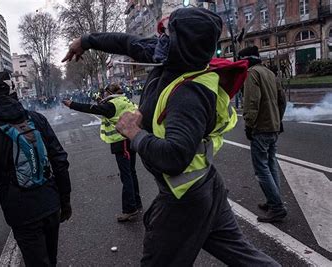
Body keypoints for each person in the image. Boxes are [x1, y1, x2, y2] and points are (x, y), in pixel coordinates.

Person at [63, 8, 279, 266]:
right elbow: (127, 42)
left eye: (169, 34)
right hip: (206, 186)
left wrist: (135, 134)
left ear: (182, 44)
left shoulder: (190, 94)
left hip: (185, 199)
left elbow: (175, 157)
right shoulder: (168, 56)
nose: (161, 38)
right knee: (244, 257)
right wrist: (86, 41)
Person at [0, 72, 72, 267]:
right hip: (50, 202)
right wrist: (65, 200)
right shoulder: (36, 119)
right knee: (51, 260)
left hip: (22, 211)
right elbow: (59, 160)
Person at [62, 84, 142, 222]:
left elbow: (91, 108)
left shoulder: (111, 106)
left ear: (109, 93)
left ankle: (130, 209)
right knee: (131, 172)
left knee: (126, 175)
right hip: (131, 138)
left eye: (105, 93)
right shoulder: (124, 100)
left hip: (120, 141)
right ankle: (137, 202)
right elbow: (109, 107)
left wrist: (72, 104)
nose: (104, 96)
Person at [239, 46, 287, 223]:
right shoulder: (269, 73)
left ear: (245, 60)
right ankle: (273, 200)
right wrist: (277, 120)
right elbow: (283, 100)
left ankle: (276, 207)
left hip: (261, 128)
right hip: (274, 126)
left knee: (261, 168)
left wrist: (249, 125)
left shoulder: (252, 73)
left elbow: (252, 102)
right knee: (271, 164)